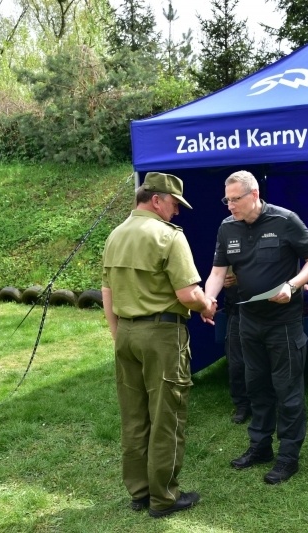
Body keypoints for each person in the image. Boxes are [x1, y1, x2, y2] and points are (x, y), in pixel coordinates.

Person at [101, 172, 217, 518]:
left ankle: (139, 492)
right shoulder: (168, 236)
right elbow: (187, 294)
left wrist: (117, 332)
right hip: (162, 337)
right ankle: (163, 497)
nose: (177, 212)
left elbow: (107, 291)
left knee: (134, 417)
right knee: (167, 416)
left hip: (126, 334)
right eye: (174, 204)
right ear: (156, 199)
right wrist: (207, 305)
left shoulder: (116, 234)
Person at [202, 170, 308, 485]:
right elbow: (217, 272)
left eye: (235, 199)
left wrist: (293, 285)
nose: (229, 206)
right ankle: (260, 447)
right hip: (247, 321)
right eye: (226, 200)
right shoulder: (227, 228)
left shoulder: (285, 221)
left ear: (253, 195)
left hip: (282, 323)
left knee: (287, 390)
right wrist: (208, 299)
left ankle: (288, 457)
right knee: (256, 386)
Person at [223, 269, 251, 424]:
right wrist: (222, 280)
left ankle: (262, 403)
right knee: (236, 364)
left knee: (263, 361)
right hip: (237, 311)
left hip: (263, 310)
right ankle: (242, 405)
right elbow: (217, 273)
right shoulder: (227, 246)